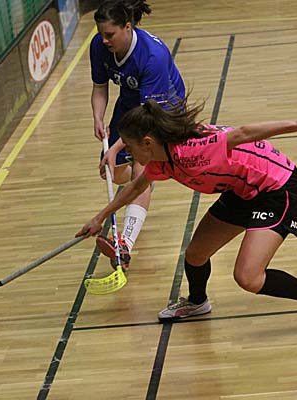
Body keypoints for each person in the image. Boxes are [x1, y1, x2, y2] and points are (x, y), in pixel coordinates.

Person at [77, 98, 297, 341]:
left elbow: (243, 132)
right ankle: (197, 302)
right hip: (241, 190)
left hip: (276, 188)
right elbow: (136, 187)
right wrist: (99, 218)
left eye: (129, 146)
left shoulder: (193, 149)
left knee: (248, 277)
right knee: (195, 255)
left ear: (147, 143)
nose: (129, 153)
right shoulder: (161, 160)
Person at [90, 0, 185, 271]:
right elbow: (99, 87)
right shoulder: (99, 45)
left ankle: (125, 245)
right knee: (111, 172)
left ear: (127, 27)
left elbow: (146, 120)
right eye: (101, 34)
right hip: (130, 105)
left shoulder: (152, 56)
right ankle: (143, 185)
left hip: (162, 110)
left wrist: (116, 147)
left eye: (110, 35)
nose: (105, 40)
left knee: (141, 168)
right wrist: (98, 117)